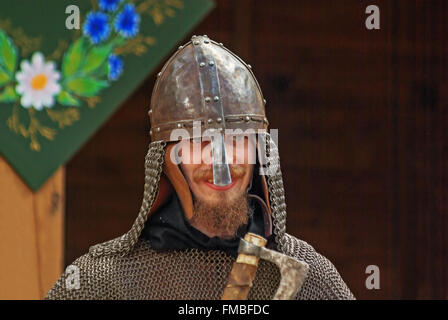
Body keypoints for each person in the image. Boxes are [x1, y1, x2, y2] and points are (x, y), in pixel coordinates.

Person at [46, 35, 355, 300]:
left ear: (259, 152)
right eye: (197, 141)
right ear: (167, 159)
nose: (219, 161)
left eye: (235, 139)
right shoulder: (101, 282)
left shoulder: (313, 282)